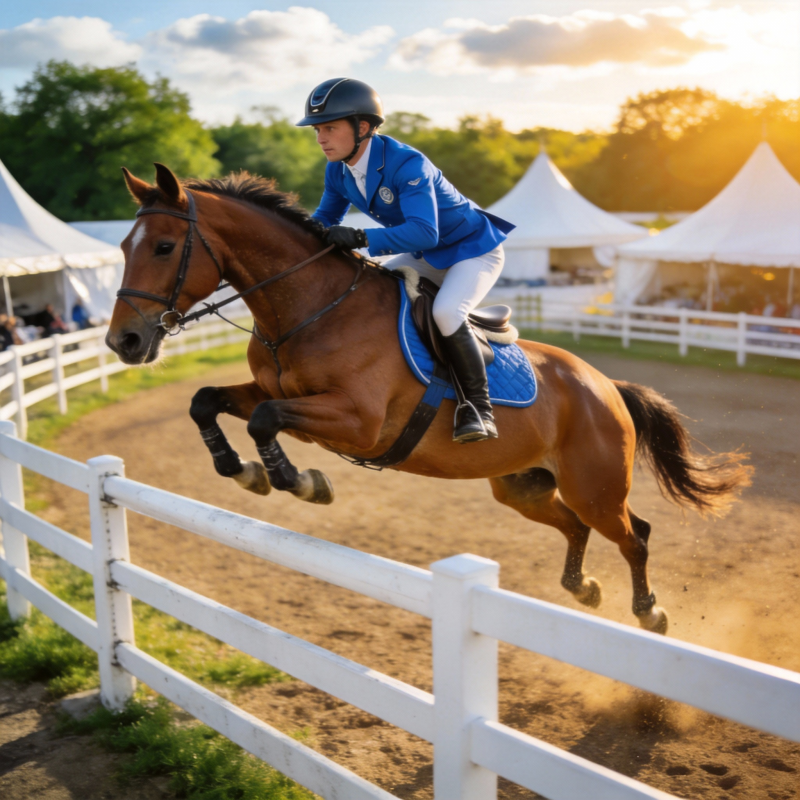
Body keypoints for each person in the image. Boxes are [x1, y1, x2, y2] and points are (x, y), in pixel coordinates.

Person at [297, 78, 515, 443]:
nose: (321, 138)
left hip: (473, 250)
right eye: (318, 129)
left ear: (362, 127)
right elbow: (324, 219)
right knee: (367, 291)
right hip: (427, 254)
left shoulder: (407, 163)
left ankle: (477, 407)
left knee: (446, 312)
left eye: (330, 128)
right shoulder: (337, 169)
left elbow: (424, 231)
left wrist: (362, 238)